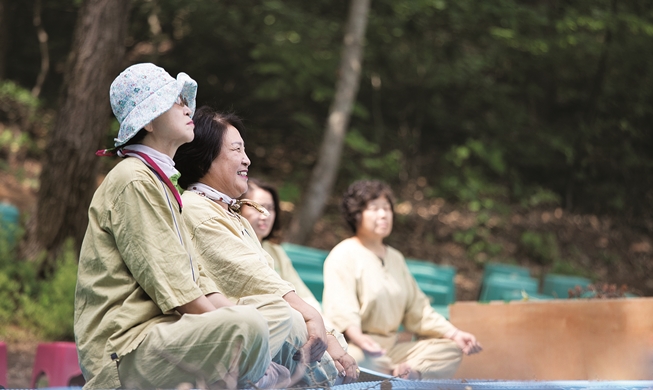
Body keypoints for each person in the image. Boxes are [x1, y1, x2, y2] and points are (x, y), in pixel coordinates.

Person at [74, 63, 291, 389]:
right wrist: (247, 339)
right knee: (246, 327)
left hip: (162, 333)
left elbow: (197, 282)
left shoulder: (160, 182)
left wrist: (246, 325)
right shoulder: (133, 179)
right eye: (175, 102)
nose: (187, 107)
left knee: (267, 321)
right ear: (148, 121)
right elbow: (176, 289)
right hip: (124, 349)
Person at [174, 107, 359, 386]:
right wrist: (313, 319)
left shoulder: (231, 215)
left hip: (268, 337)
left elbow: (273, 282)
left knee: (298, 322)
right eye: (236, 150)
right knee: (283, 315)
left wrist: (329, 334)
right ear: (205, 157)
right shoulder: (195, 209)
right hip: (217, 340)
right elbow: (251, 279)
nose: (246, 160)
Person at [323, 180, 483, 380]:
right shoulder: (343, 254)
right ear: (357, 215)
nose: (383, 215)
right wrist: (360, 339)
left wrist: (454, 333)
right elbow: (341, 308)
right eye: (375, 209)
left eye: (387, 209)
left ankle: (408, 373)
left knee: (450, 349)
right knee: (354, 359)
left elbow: (418, 309)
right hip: (358, 347)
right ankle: (393, 374)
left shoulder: (396, 258)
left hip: (392, 349)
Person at [239, 178, 321, 313]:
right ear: (238, 208)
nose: (265, 215)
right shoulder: (235, 247)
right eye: (257, 207)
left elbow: (303, 294)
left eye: (270, 208)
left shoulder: (276, 251)